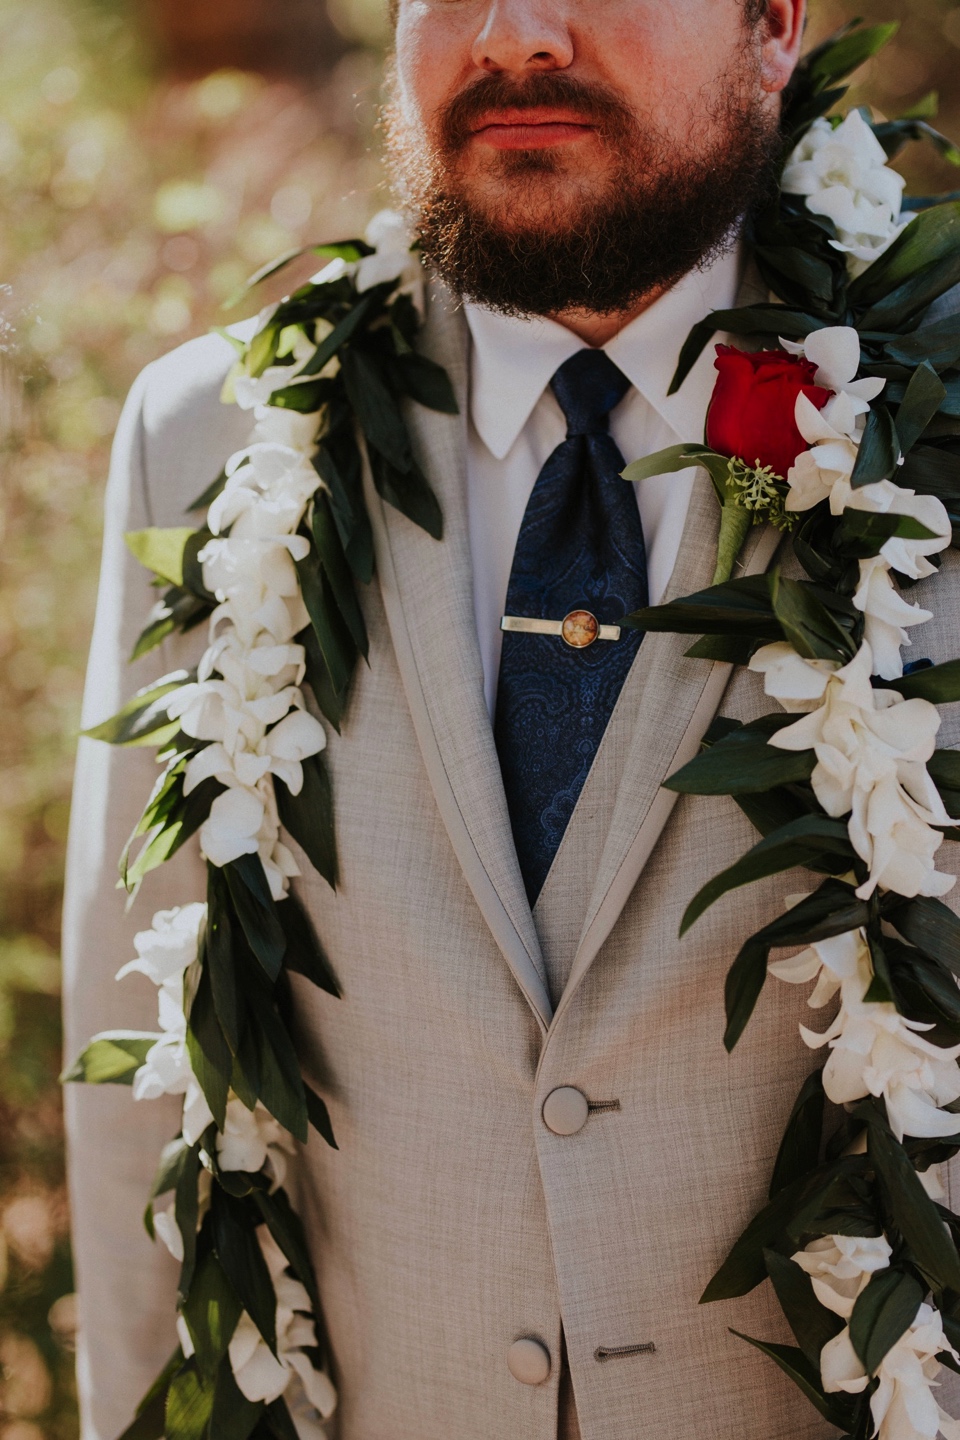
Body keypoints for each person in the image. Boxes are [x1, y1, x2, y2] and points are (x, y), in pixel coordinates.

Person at [64, 2, 940, 1438]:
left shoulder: (933, 427)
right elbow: (143, 1083)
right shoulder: (205, 441)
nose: (514, 32)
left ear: (775, 24)